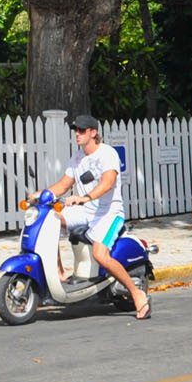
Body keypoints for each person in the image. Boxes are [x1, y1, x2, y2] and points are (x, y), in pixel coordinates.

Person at [32, 114, 151, 319]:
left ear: (93, 132)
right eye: (75, 130)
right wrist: (40, 195)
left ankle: (136, 294)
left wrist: (85, 198)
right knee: (50, 219)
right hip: (86, 211)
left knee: (100, 254)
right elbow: (63, 185)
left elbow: (108, 183)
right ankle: (59, 273)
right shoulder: (77, 158)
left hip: (109, 212)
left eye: (81, 130)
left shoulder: (107, 154)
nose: (77, 134)